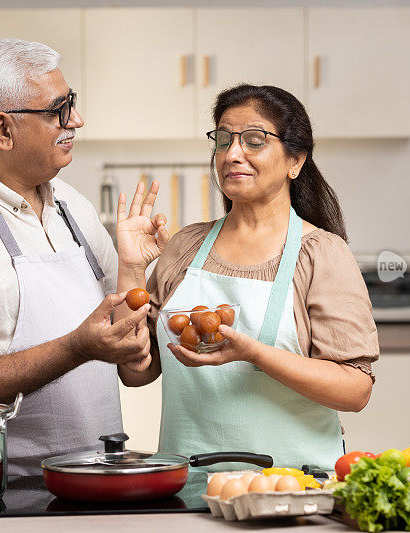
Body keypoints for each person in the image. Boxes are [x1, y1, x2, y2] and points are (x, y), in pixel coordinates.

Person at [0, 39, 168, 476]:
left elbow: (135, 371)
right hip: (10, 498)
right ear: (3, 130)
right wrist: (76, 348)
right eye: (58, 109)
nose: (76, 120)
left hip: (97, 482)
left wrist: (133, 269)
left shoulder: (72, 207)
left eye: (71, 103)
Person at [122, 84, 379, 470]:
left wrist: (253, 353)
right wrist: (131, 268)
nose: (232, 154)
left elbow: (355, 390)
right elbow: (136, 372)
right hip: (189, 488)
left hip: (292, 491)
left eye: (254, 140)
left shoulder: (322, 253)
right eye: (223, 140)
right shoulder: (185, 247)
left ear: (295, 161)